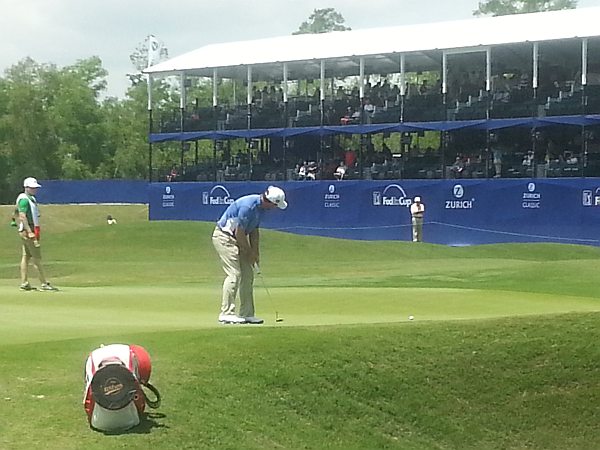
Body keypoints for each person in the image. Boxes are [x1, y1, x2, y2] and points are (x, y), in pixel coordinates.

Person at [212, 186, 288, 324]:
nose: (275, 208)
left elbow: (254, 231)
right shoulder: (249, 206)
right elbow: (239, 233)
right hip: (224, 237)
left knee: (248, 275)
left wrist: (255, 252)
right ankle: (226, 313)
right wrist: (249, 252)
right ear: (269, 201)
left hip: (237, 239)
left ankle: (247, 314)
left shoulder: (261, 209)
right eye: (275, 205)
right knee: (234, 274)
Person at [83, 343, 161, 432]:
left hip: (97, 423)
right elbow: (142, 380)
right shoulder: (130, 354)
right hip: (133, 419)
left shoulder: (93, 357)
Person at [15, 177, 58, 291]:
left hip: (30, 229)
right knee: (36, 257)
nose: (35, 190)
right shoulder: (24, 199)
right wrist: (29, 232)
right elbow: (22, 216)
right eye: (32, 188)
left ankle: (24, 282)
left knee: (26, 256)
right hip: (28, 230)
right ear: (26, 188)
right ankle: (44, 283)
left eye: (35, 188)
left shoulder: (31, 199)